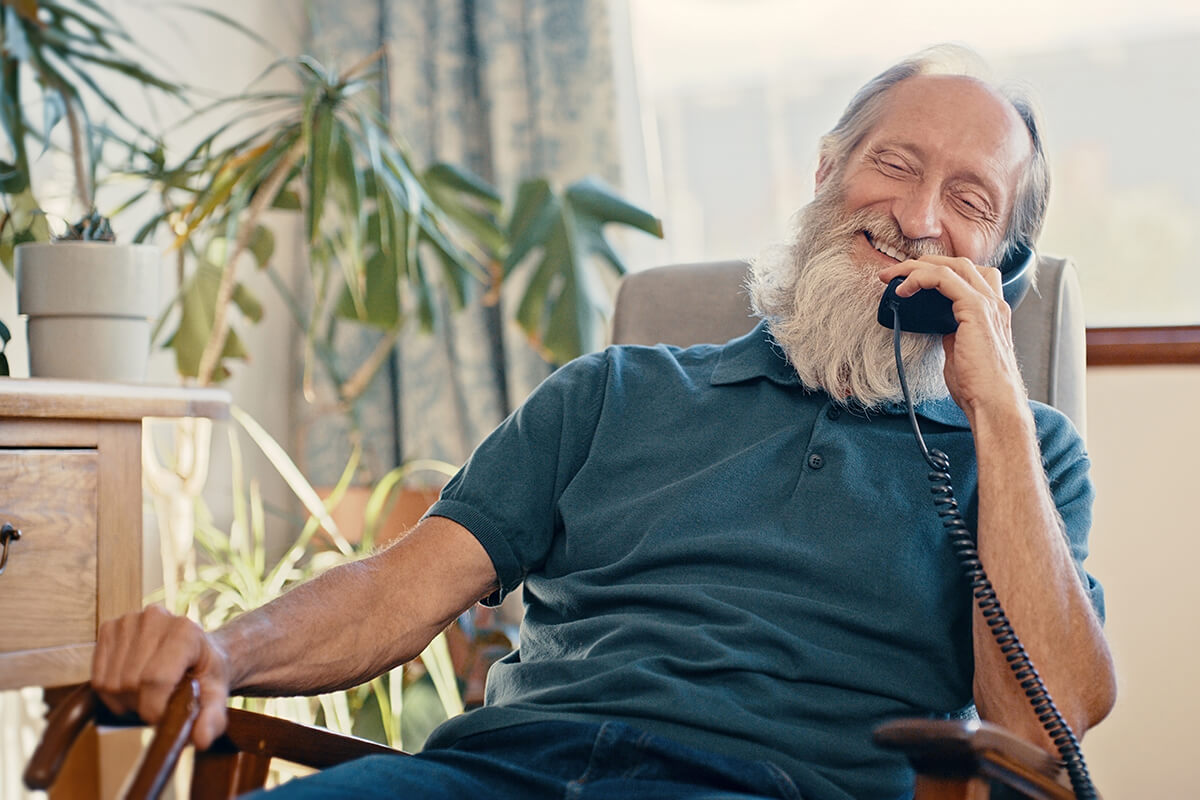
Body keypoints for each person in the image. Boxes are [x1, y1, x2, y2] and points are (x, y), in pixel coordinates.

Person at [92, 47, 1116, 800]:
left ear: (1002, 267)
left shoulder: (1023, 458)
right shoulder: (614, 390)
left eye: (969, 197)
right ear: (827, 176)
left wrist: (996, 412)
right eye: (895, 164)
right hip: (495, 775)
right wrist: (221, 649)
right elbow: (398, 589)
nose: (919, 215)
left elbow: (1044, 720)